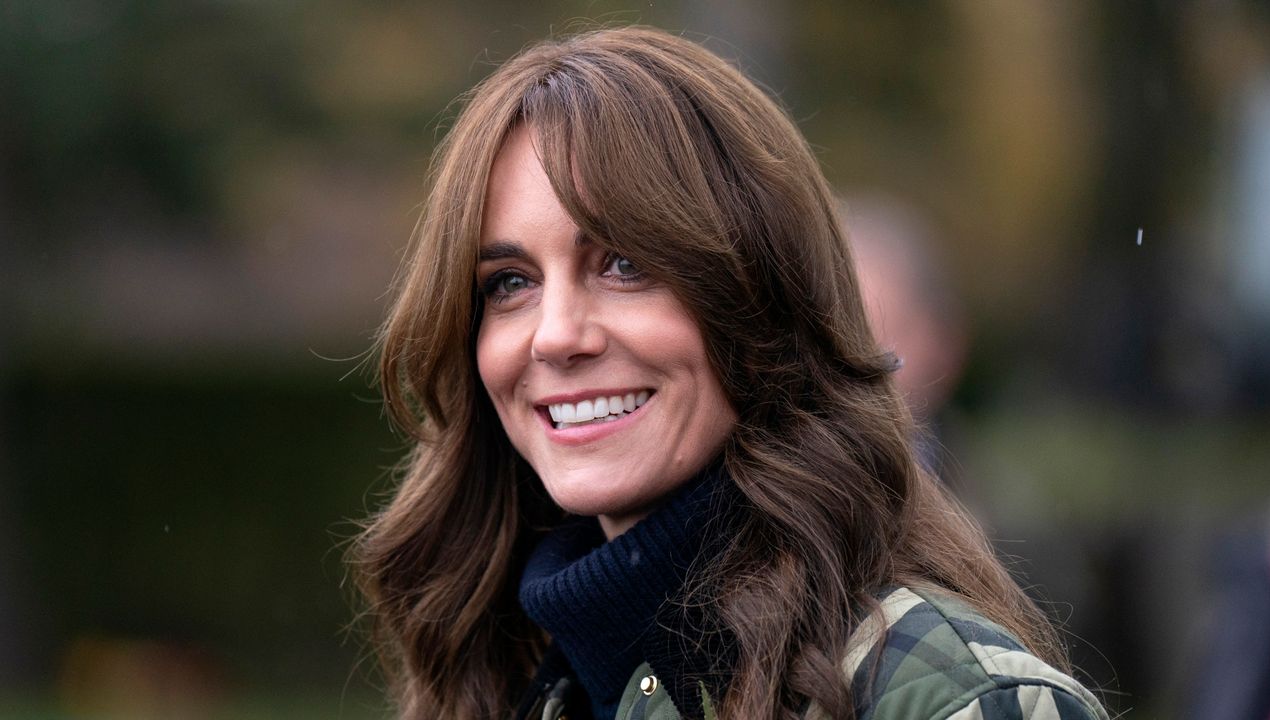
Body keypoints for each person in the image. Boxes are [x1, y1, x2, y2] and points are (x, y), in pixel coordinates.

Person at [353, 26, 1106, 720]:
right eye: (509, 283)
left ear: (763, 299)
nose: (555, 336)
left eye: (623, 264)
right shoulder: (510, 680)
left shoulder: (953, 700)